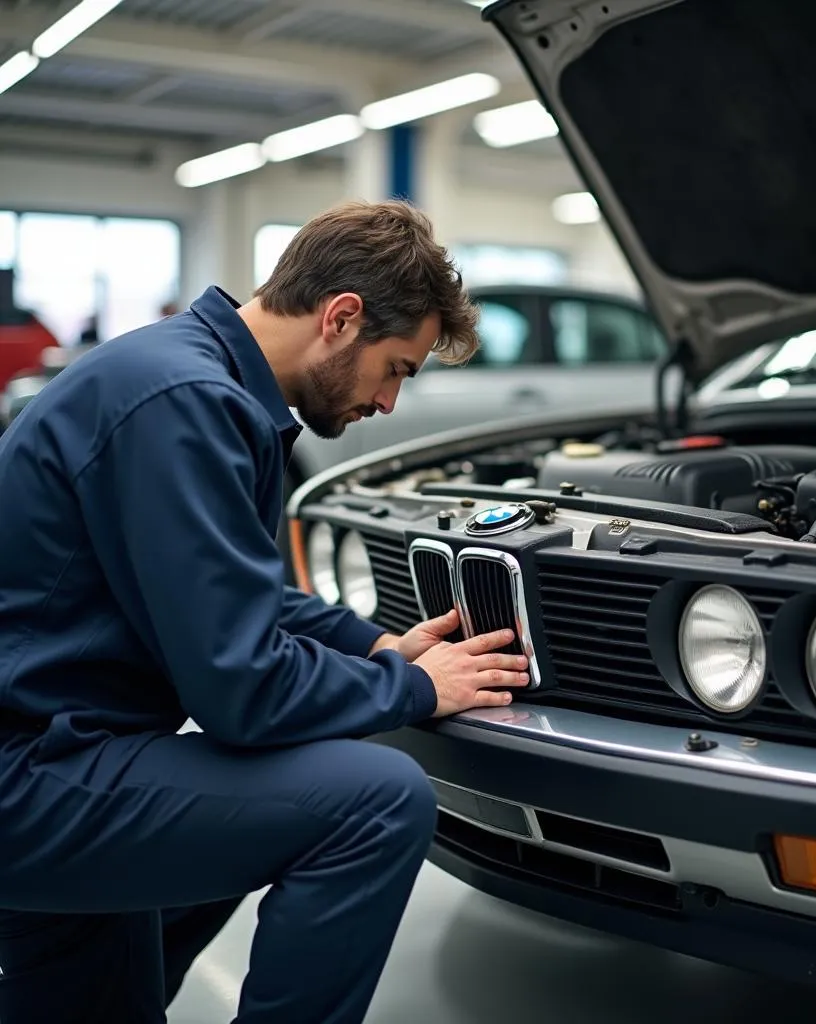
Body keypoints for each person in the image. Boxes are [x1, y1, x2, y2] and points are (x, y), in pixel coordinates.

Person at [0, 200, 531, 1023]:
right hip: (32, 775)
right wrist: (414, 688)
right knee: (376, 799)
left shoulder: (188, 376)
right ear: (341, 318)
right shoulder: (185, 401)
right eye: (397, 367)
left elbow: (237, 593)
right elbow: (241, 691)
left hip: (60, 743)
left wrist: (379, 643)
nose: (389, 402)